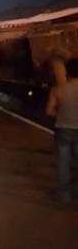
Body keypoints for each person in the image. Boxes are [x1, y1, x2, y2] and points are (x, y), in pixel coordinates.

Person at [46, 58, 78, 204]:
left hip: (64, 129)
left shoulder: (58, 90)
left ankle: (64, 195)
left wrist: (62, 113)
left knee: (63, 163)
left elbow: (49, 111)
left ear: (67, 72)